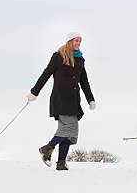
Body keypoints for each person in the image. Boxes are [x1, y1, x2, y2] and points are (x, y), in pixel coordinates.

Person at [27, 31, 96, 171]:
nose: (78, 43)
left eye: (79, 41)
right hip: (61, 98)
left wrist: (90, 99)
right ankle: (48, 148)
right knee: (69, 128)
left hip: (74, 99)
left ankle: (61, 162)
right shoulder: (59, 56)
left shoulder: (80, 59)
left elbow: (84, 82)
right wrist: (34, 92)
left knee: (71, 133)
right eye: (75, 41)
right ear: (69, 41)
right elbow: (45, 74)